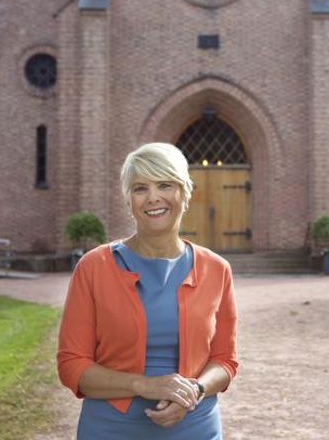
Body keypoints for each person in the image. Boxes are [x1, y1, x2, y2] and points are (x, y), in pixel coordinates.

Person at [57, 142, 239, 439]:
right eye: (140, 188)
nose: (153, 197)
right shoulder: (93, 267)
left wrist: (196, 389)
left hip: (195, 429)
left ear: (184, 193)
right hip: (110, 430)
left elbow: (225, 360)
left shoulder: (217, 269)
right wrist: (144, 385)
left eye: (165, 184)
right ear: (129, 201)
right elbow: (72, 365)